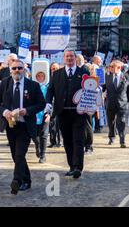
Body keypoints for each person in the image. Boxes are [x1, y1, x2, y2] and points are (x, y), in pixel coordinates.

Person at [0, 59, 45, 194]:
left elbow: (41, 104)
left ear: (24, 70)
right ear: (10, 70)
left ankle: (16, 181)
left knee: (20, 154)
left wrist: (27, 111)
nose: (17, 70)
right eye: (14, 68)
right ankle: (27, 179)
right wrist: (5, 112)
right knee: (16, 156)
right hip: (10, 125)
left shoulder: (33, 85)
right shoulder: (5, 83)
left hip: (25, 125)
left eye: (19, 68)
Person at [45, 50, 90, 179]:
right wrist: (48, 103)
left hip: (79, 113)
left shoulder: (83, 72)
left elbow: (90, 89)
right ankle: (71, 166)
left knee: (78, 140)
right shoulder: (57, 74)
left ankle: (78, 167)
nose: (69, 58)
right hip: (63, 112)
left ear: (75, 58)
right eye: (67, 56)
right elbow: (50, 90)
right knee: (68, 141)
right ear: (63, 58)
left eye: (71, 56)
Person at [103, 59, 129, 148]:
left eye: (112, 67)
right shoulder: (107, 76)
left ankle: (122, 140)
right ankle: (111, 137)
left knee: (122, 122)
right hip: (110, 103)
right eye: (110, 66)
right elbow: (103, 87)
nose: (110, 68)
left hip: (123, 104)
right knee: (111, 122)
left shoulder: (126, 77)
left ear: (118, 67)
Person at [31, 59, 51, 163]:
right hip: (34, 114)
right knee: (34, 135)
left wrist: (49, 113)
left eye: (41, 76)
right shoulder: (31, 87)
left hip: (44, 113)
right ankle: (37, 146)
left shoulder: (48, 87)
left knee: (44, 134)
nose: (40, 78)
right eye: (38, 76)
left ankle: (43, 155)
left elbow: (52, 101)